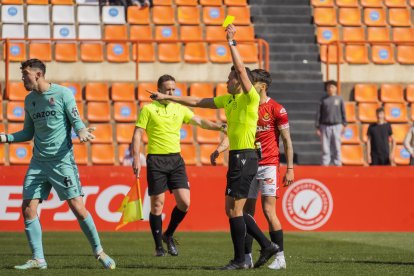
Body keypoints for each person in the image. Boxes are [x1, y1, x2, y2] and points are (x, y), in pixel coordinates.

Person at [146, 24, 278, 270]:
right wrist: (167, 97)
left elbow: (240, 67)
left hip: (246, 157)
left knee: (236, 210)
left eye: (229, 78)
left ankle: (242, 258)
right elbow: (197, 101)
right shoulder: (227, 100)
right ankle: (265, 246)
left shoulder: (249, 99)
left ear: (239, 80)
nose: (226, 81)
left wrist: (231, 42)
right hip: (236, 157)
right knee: (231, 209)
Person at [0, 59, 115, 270]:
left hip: (61, 161)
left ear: (38, 74)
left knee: (78, 208)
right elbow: (28, 132)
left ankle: (99, 251)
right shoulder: (29, 100)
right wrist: (6, 138)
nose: (22, 77)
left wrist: (81, 131)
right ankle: (38, 259)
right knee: (28, 208)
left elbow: (75, 119)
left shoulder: (62, 94)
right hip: (38, 162)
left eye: (25, 73)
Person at [131, 74, 225, 257]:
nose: (171, 92)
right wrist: (136, 158)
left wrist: (219, 127)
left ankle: (169, 235)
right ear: (159, 90)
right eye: (167, 89)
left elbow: (199, 121)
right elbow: (137, 134)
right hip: (156, 160)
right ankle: (158, 246)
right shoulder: (148, 109)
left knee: (185, 203)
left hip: (176, 161)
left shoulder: (179, 109)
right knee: (157, 205)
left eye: (174, 89)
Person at [210, 68, 294, 270]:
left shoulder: (276, 109)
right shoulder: (247, 104)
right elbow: (234, 132)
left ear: (262, 86)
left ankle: (280, 257)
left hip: (269, 164)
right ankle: (246, 257)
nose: (247, 84)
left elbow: (286, 140)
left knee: (268, 210)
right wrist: (221, 148)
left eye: (251, 81)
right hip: (249, 163)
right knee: (246, 211)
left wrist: (290, 168)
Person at [315, 80, 347, 166]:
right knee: (325, 148)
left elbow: (343, 112)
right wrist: (317, 126)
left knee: (337, 146)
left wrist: (344, 124)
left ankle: (338, 164)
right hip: (324, 126)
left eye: (332, 86)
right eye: (328, 87)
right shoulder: (323, 100)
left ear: (336, 88)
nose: (330, 88)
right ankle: (325, 165)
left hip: (337, 126)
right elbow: (319, 113)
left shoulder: (339, 99)